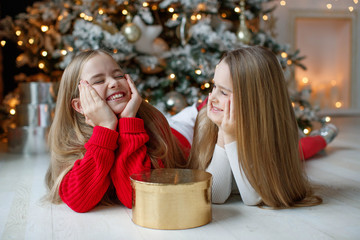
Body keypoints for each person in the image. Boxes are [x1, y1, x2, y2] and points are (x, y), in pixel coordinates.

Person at [45, 49, 188, 213]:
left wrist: (128, 122)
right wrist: (105, 127)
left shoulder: (154, 121)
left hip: (181, 132)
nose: (114, 83)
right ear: (79, 105)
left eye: (119, 75)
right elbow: (78, 201)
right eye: (98, 81)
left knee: (196, 113)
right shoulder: (71, 137)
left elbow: (140, 198)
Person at [184, 46, 324, 208]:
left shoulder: (273, 130)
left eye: (223, 92)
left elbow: (254, 198)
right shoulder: (206, 120)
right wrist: (223, 132)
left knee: (309, 146)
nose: (212, 97)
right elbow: (215, 196)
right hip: (185, 122)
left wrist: (232, 136)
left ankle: (325, 135)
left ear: (253, 101)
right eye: (214, 86)